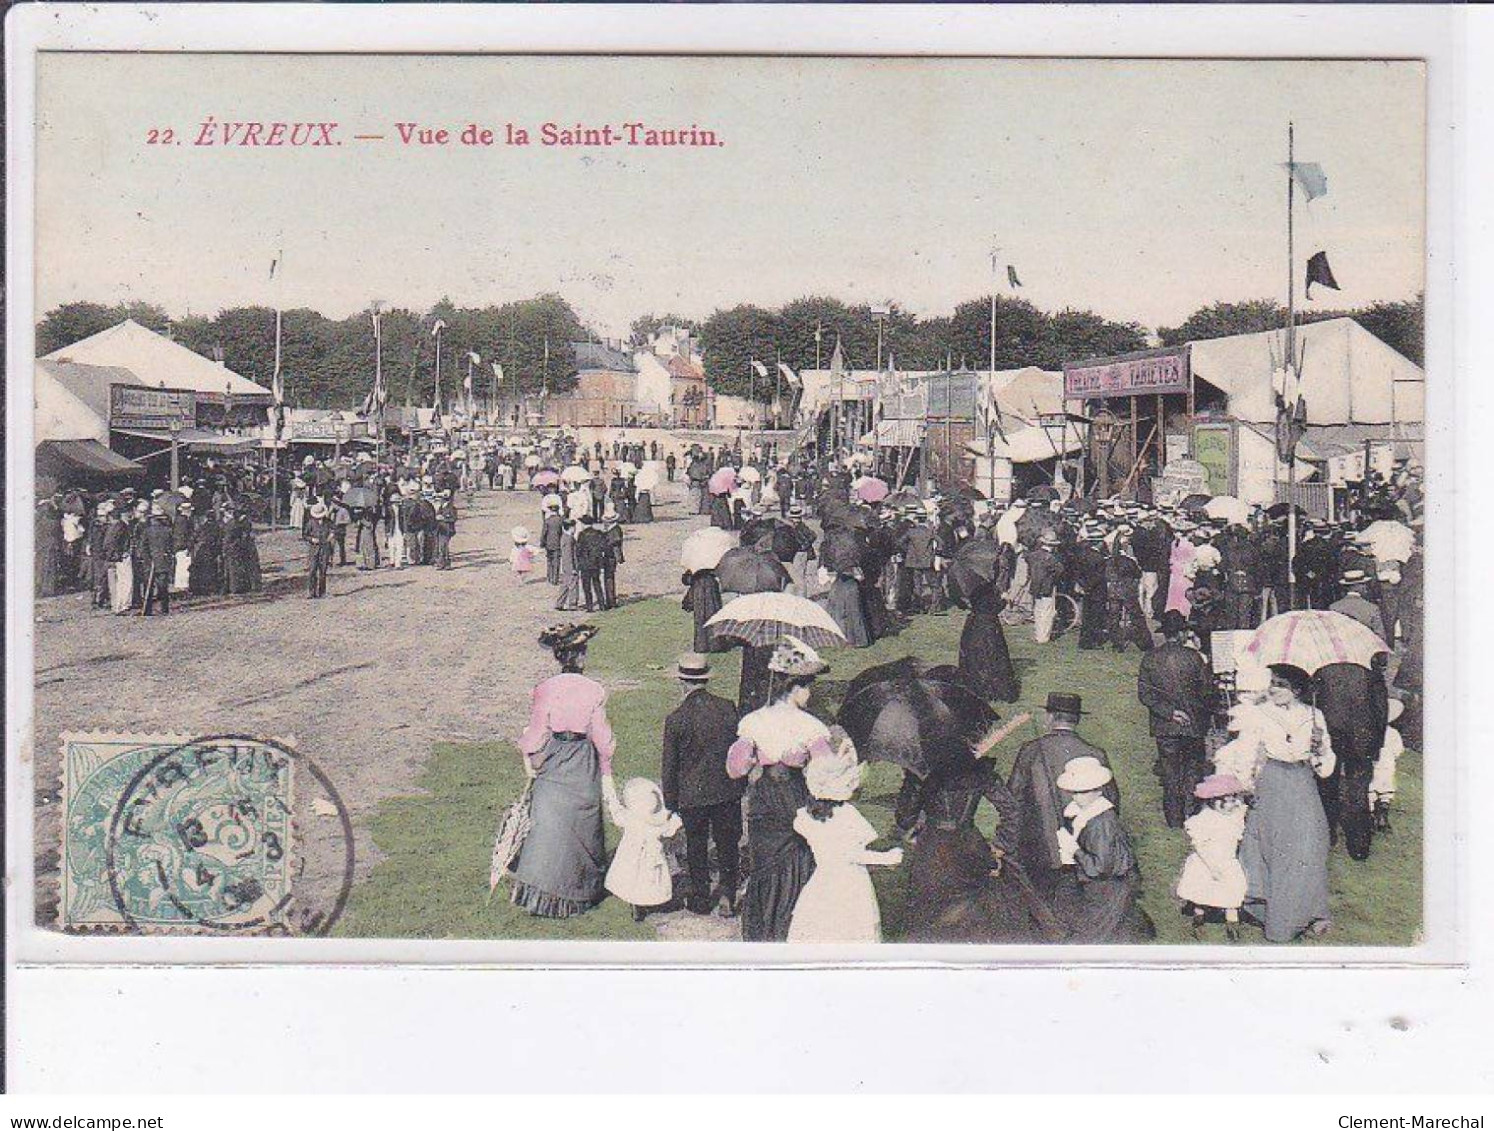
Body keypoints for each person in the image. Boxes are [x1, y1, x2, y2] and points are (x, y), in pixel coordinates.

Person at [726, 635, 831, 942]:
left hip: (763, 799)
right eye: (807, 686)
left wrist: (758, 759)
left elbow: (735, 768)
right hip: (795, 798)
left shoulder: (753, 722)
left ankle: (764, 929)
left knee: (765, 864)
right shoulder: (812, 727)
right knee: (797, 861)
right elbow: (826, 773)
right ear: (793, 687)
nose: (810, 693)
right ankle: (791, 927)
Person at [509, 624, 614, 918]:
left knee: (549, 823)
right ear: (579, 657)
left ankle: (540, 893)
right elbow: (602, 737)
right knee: (580, 821)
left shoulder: (545, 689)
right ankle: (578, 892)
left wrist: (532, 756)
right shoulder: (594, 690)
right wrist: (606, 767)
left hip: (555, 753)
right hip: (581, 756)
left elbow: (536, 732)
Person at [1238, 665, 1336, 942]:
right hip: (1272, 783)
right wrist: (1245, 783)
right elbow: (1246, 752)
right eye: (1272, 683)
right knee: (1276, 850)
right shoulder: (1260, 713)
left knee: (1310, 847)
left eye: (1279, 685)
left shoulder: (1315, 716)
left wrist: (1320, 750)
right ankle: (1278, 918)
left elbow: (1325, 767)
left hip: (1303, 784)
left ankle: (1311, 912)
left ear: (1296, 690)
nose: (1272, 690)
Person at [787, 735, 902, 943]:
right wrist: (888, 857)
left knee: (819, 928)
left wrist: (837, 761)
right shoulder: (847, 815)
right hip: (850, 883)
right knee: (852, 929)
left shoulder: (806, 816)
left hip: (823, 880)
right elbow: (852, 854)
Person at [1007, 693, 1119, 896]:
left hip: (1037, 851)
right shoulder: (1096, 754)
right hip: (1086, 852)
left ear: (1049, 717)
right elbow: (1111, 803)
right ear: (1077, 719)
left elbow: (1012, 800)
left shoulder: (1030, 751)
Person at [661, 654, 747, 915]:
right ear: (706, 679)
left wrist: (670, 802)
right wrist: (740, 784)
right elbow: (738, 751)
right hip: (726, 790)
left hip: (692, 794)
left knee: (696, 846)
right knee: (728, 844)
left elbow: (670, 766)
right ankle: (727, 895)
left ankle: (700, 898)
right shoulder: (727, 708)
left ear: (682, 682)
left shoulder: (676, 718)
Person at [1051, 756, 1154, 943]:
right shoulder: (1081, 812)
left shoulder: (1102, 823)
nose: (1076, 797)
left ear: (1098, 791)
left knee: (1090, 938)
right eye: (1074, 792)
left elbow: (1098, 868)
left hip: (1111, 886)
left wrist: (1073, 849)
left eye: (1083, 792)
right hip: (1103, 884)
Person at [1137, 611, 1215, 828]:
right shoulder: (1194, 657)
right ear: (1182, 634)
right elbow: (1207, 692)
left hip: (1165, 726)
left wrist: (1170, 713)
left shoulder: (1150, 658)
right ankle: (1193, 813)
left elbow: (1145, 695)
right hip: (1193, 725)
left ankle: (1174, 820)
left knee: (1170, 774)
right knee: (1192, 770)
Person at [1314, 659, 1390, 861]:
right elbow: (1381, 708)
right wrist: (1378, 744)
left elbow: (1313, 703)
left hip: (1331, 733)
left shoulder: (1322, 666)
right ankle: (1359, 845)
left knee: (1326, 786)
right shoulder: (1369, 665)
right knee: (1358, 790)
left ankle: (1328, 834)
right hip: (1363, 737)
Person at [1176, 774, 1250, 941]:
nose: (1234, 805)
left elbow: (1244, 806)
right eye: (1229, 801)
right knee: (1201, 893)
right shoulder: (1204, 820)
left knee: (1233, 893)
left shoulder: (1233, 817)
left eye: (1234, 800)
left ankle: (1232, 927)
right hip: (1206, 862)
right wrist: (1211, 866)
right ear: (1214, 802)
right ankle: (1198, 920)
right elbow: (1199, 845)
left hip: (1227, 861)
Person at [601, 776, 682, 922]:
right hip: (652, 857)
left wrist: (610, 794)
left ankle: (636, 904)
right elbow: (671, 829)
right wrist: (676, 816)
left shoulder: (630, 818)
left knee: (633, 878)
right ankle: (650, 901)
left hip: (631, 856)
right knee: (650, 880)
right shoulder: (658, 824)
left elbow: (616, 812)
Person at [958, 582, 1020, 703]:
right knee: (992, 655)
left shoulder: (971, 587)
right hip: (987, 626)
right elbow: (992, 608)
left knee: (975, 656)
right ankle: (990, 686)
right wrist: (1004, 599)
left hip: (974, 625)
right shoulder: (985, 587)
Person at [1370, 699, 1406, 833]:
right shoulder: (1393, 733)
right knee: (1386, 789)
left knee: (1371, 788)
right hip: (1387, 764)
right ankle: (1383, 816)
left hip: (1374, 763)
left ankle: (1372, 817)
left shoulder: (1370, 731)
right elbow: (1398, 750)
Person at [1027, 529, 1065, 643]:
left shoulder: (1033, 556)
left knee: (1038, 611)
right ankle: (1044, 636)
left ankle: (1038, 633)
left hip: (1035, 586)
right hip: (1047, 587)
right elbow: (1060, 571)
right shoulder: (1052, 559)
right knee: (1048, 612)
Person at [141, 503, 176, 616]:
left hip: (151, 561)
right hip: (163, 560)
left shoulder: (147, 531)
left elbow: (143, 547)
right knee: (163, 586)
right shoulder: (168, 531)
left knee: (148, 586)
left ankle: (147, 609)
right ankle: (164, 608)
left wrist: (147, 558)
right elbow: (172, 546)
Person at [681, 568, 724, 654]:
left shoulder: (694, 564)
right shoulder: (712, 563)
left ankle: (702, 645)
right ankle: (715, 644)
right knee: (713, 616)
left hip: (699, 588)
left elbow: (686, 580)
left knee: (701, 618)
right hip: (710, 587)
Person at [304, 500, 334, 598]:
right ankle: (311, 591)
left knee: (323, 571)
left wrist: (331, 535)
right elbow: (305, 535)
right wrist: (311, 539)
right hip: (314, 549)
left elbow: (333, 530)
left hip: (325, 548)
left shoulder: (328, 522)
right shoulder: (311, 523)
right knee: (312, 570)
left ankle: (322, 592)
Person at [541, 497, 565, 585]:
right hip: (558, 543)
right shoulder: (561, 520)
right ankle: (555, 578)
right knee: (556, 561)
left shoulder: (547, 521)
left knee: (549, 560)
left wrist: (542, 542)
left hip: (549, 543)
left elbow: (544, 532)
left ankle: (549, 577)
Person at [433, 490, 457, 570]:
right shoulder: (440, 507)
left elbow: (454, 518)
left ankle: (445, 563)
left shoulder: (451, 508)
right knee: (440, 546)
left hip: (447, 530)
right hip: (440, 529)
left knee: (443, 546)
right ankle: (442, 563)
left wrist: (444, 518)